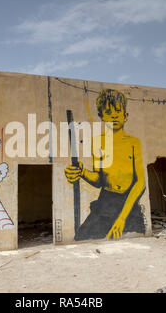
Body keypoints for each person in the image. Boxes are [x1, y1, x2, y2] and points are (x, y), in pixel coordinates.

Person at [64, 89, 146, 240]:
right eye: (108, 112)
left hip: (129, 203)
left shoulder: (133, 143)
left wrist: (121, 219)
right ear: (101, 117)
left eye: (117, 110)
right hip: (106, 201)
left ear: (125, 115)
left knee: (133, 237)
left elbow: (140, 182)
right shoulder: (98, 142)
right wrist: (81, 172)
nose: (114, 115)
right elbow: (99, 180)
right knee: (82, 237)